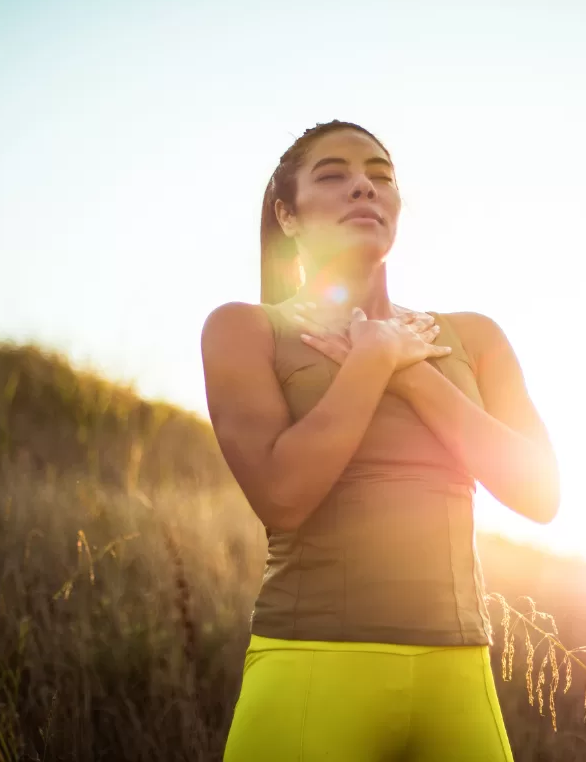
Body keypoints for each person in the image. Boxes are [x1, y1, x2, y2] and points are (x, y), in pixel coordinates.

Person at [202, 120, 560, 761]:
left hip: (459, 676)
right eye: (333, 175)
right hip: (311, 671)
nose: (364, 187)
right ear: (287, 215)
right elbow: (283, 496)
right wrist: (369, 364)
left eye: (380, 176)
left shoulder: (474, 336)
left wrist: (407, 371)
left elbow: (539, 494)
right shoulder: (244, 330)